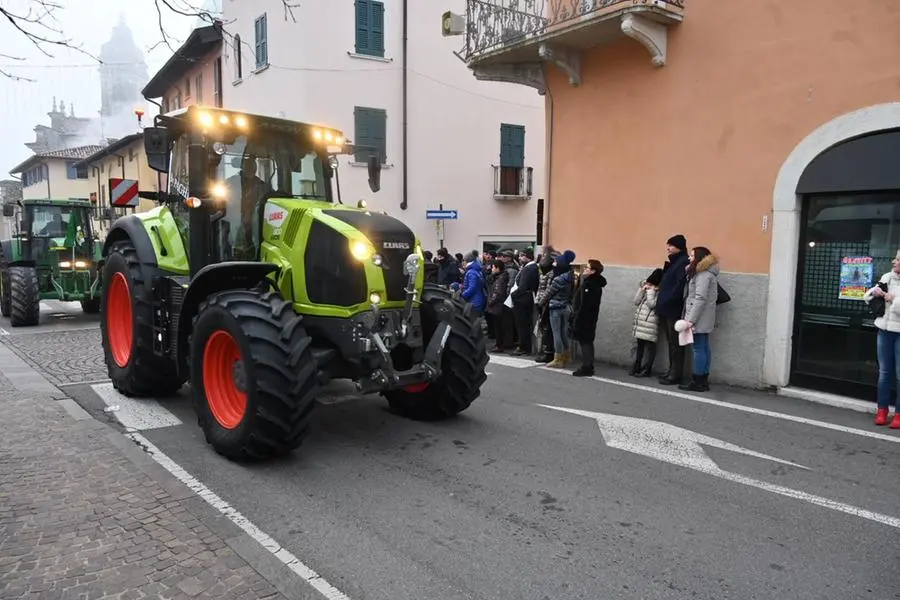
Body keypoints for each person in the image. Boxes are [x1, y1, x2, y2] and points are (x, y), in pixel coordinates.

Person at [864, 250, 900, 428]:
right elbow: (867, 297)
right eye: (895, 258)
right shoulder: (887, 276)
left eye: (898, 260)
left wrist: (891, 299)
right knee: (885, 373)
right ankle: (882, 410)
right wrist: (875, 292)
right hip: (884, 332)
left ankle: (899, 414)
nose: (894, 262)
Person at [679, 247, 720, 392]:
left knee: (698, 348)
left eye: (692, 255)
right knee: (704, 347)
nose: (689, 258)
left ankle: (698, 381)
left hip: (698, 317)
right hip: (704, 317)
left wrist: (690, 320)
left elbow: (700, 298)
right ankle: (703, 380)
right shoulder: (708, 273)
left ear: (699, 258)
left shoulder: (702, 275)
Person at [656, 234, 691, 385]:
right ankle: (671, 370)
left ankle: (676, 374)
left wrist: (668, 300)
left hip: (673, 308)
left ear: (679, 247)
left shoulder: (682, 262)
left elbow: (678, 286)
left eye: (671, 245)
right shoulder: (675, 262)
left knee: (675, 343)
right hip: (666, 307)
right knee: (671, 342)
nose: (668, 248)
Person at [224, 155, 269, 257]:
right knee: (230, 237)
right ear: (243, 168)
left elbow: (270, 198)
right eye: (248, 167)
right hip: (234, 217)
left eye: (253, 167)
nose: (251, 169)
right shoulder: (231, 182)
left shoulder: (262, 185)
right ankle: (229, 255)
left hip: (255, 220)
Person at [570, 259, 607, 377]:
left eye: (587, 267)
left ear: (593, 271)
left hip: (585, 317)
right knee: (587, 341)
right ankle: (588, 365)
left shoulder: (591, 284)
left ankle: (587, 366)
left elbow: (585, 304)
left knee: (585, 341)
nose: (585, 269)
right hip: (587, 317)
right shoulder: (589, 282)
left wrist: (577, 318)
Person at [545, 250, 576, 368]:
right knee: (563, 332)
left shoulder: (558, 279)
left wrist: (541, 302)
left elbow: (549, 293)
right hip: (565, 306)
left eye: (555, 262)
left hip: (555, 308)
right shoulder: (570, 275)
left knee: (556, 333)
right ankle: (567, 355)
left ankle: (558, 358)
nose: (553, 264)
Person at [630, 268, 664, 377]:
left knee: (650, 347)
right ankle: (637, 365)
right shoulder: (646, 288)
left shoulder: (659, 291)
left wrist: (651, 291)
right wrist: (641, 289)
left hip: (651, 323)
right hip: (641, 322)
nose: (648, 284)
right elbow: (636, 301)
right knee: (639, 345)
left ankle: (647, 368)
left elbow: (652, 304)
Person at [511, 248, 539, 355]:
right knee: (524, 324)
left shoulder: (529, 268)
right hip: (526, 298)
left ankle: (523, 347)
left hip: (523, 299)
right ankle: (524, 346)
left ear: (527, 256)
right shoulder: (529, 267)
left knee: (522, 324)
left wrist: (514, 295)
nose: (519, 258)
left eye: (522, 256)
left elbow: (523, 286)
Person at [487, 259, 515, 352]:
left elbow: (498, 292)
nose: (492, 269)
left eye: (493, 268)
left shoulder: (500, 278)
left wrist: (490, 301)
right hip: (501, 305)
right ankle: (501, 344)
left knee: (498, 326)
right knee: (501, 326)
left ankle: (499, 345)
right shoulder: (501, 277)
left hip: (498, 306)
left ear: (498, 268)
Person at [456, 250, 486, 316]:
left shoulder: (471, 272)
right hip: (477, 299)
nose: (462, 262)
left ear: (468, 261)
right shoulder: (476, 270)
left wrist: (462, 295)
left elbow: (472, 288)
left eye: (464, 260)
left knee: (473, 321)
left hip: (474, 301)